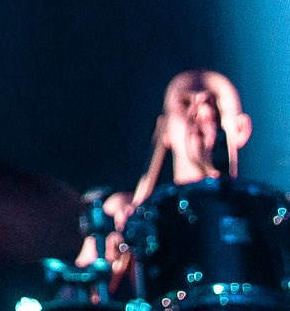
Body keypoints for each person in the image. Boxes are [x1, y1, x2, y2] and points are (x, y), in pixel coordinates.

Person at [82, 70, 257, 282]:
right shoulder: (122, 213)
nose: (200, 113)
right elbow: (72, 302)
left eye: (213, 102)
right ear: (164, 131)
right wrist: (106, 263)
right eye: (185, 103)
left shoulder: (269, 218)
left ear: (242, 129)